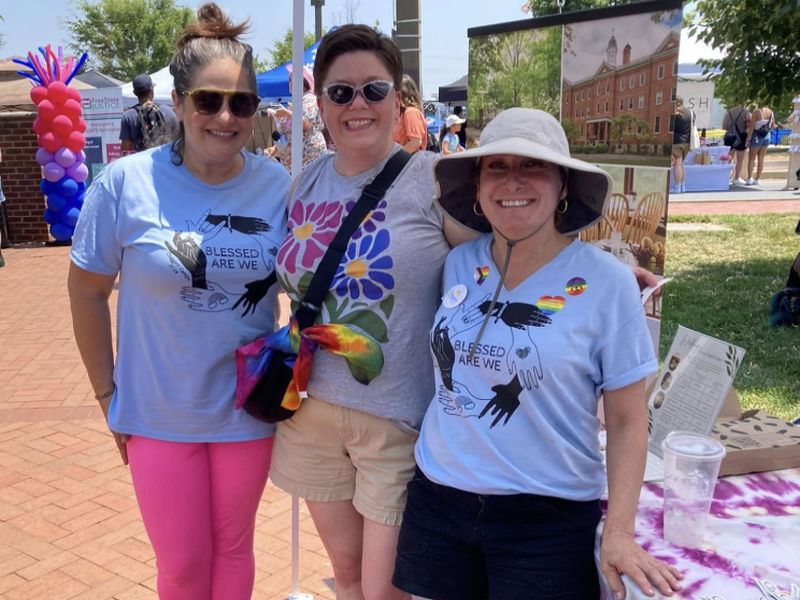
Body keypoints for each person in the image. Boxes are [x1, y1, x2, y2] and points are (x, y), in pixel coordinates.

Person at [391, 108, 683, 600]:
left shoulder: (608, 283)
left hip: (546, 516)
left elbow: (630, 422)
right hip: (440, 500)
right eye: (497, 167)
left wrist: (619, 532)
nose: (513, 181)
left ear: (564, 185)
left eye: (533, 166)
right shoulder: (459, 263)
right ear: (479, 188)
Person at [68, 5, 290, 599]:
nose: (225, 116)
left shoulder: (280, 188)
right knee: (185, 565)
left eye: (242, 102)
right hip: (158, 412)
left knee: (235, 547)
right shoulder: (125, 184)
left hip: (248, 408)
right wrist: (108, 394)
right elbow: (87, 293)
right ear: (179, 101)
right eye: (208, 100)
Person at [270, 24, 475, 600]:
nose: (357, 105)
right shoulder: (302, 183)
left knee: (388, 590)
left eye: (373, 90)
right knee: (350, 576)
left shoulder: (434, 180)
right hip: (309, 412)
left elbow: (498, 257)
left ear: (397, 97)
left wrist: (587, 268)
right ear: (321, 103)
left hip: (396, 421)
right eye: (340, 92)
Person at [271, 65, 328, 171]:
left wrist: (287, 113)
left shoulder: (309, 99)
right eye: (290, 80)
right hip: (297, 166)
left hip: (309, 162)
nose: (290, 83)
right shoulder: (296, 103)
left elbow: (306, 124)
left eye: (293, 80)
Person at [119, 73, 179, 154]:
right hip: (165, 161)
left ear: (134, 93)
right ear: (152, 90)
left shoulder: (128, 116)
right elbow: (178, 142)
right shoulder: (168, 111)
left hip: (141, 164)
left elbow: (125, 150)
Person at [393, 74, 428, 153]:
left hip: (409, 162)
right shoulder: (402, 112)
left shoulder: (410, 112)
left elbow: (415, 142)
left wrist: (396, 158)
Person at [746, 104, 775, 186]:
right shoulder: (771, 112)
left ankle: (749, 178)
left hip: (757, 136)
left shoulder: (756, 112)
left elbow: (752, 126)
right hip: (767, 136)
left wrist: (748, 138)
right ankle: (758, 179)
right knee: (761, 158)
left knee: (752, 158)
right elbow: (773, 126)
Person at [722, 103, 750, 186]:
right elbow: (749, 126)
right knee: (740, 160)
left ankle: (726, 177)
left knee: (728, 159)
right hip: (741, 137)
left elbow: (724, 126)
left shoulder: (728, 112)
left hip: (729, 137)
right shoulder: (746, 112)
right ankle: (737, 178)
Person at [671, 96, 692, 193]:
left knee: (677, 165)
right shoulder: (689, 112)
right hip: (687, 141)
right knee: (681, 164)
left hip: (677, 141)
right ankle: (683, 186)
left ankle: (677, 187)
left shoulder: (675, 113)